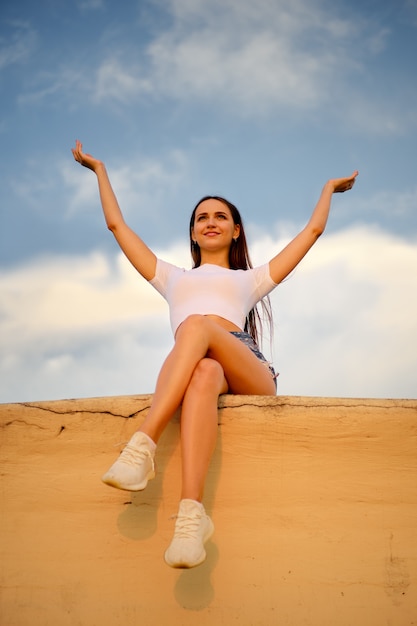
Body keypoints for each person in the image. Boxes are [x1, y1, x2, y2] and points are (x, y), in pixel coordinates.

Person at [71, 140, 358, 568]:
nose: (210, 222)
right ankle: (191, 519)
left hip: (250, 369)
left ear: (236, 230)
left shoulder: (252, 279)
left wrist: (328, 190)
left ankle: (142, 445)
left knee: (196, 325)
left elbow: (311, 233)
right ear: (191, 232)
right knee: (203, 372)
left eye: (220, 216)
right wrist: (99, 171)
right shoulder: (171, 278)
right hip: (206, 368)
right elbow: (117, 227)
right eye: (202, 217)